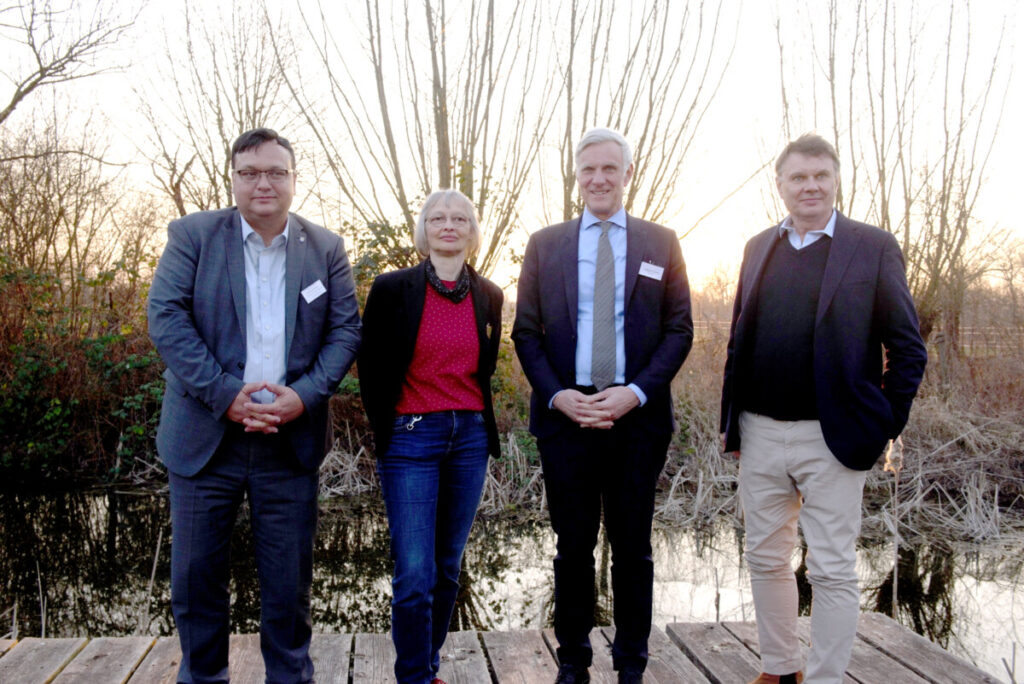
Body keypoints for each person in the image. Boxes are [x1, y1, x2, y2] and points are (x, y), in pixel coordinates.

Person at [148, 128, 361, 683]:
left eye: (275, 172)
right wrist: (225, 395)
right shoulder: (193, 235)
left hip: (288, 441)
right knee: (196, 578)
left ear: (293, 178)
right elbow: (167, 320)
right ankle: (204, 678)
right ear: (233, 178)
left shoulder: (326, 248)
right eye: (250, 173)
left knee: (289, 583)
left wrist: (305, 396)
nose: (263, 183)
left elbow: (344, 333)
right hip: (205, 438)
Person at [720, 133, 927, 684]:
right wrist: (732, 424)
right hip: (760, 431)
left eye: (820, 177)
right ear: (781, 184)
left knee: (831, 567)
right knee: (764, 558)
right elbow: (739, 341)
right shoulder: (758, 246)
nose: (809, 186)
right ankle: (780, 667)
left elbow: (907, 349)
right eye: (798, 177)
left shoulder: (871, 246)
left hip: (834, 436)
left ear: (836, 180)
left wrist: (884, 423)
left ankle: (828, 677)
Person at [512, 128, 693, 684]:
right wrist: (559, 395)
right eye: (588, 169)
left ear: (627, 174)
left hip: (636, 419)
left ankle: (632, 663)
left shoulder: (661, 243)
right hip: (567, 418)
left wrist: (634, 393)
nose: (598, 179)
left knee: (634, 547)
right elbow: (525, 333)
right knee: (572, 548)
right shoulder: (546, 244)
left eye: (609, 169)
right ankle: (573, 660)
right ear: (577, 175)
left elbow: (679, 329)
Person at [358, 189, 503, 684]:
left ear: (471, 230)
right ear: (424, 228)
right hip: (411, 437)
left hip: (469, 438)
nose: (448, 225)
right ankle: (413, 677)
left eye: (459, 218)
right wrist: (389, 425)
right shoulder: (392, 288)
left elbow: (484, 371)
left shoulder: (489, 295)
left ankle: (429, 665)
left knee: (446, 568)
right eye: (437, 217)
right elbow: (371, 366)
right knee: (414, 574)